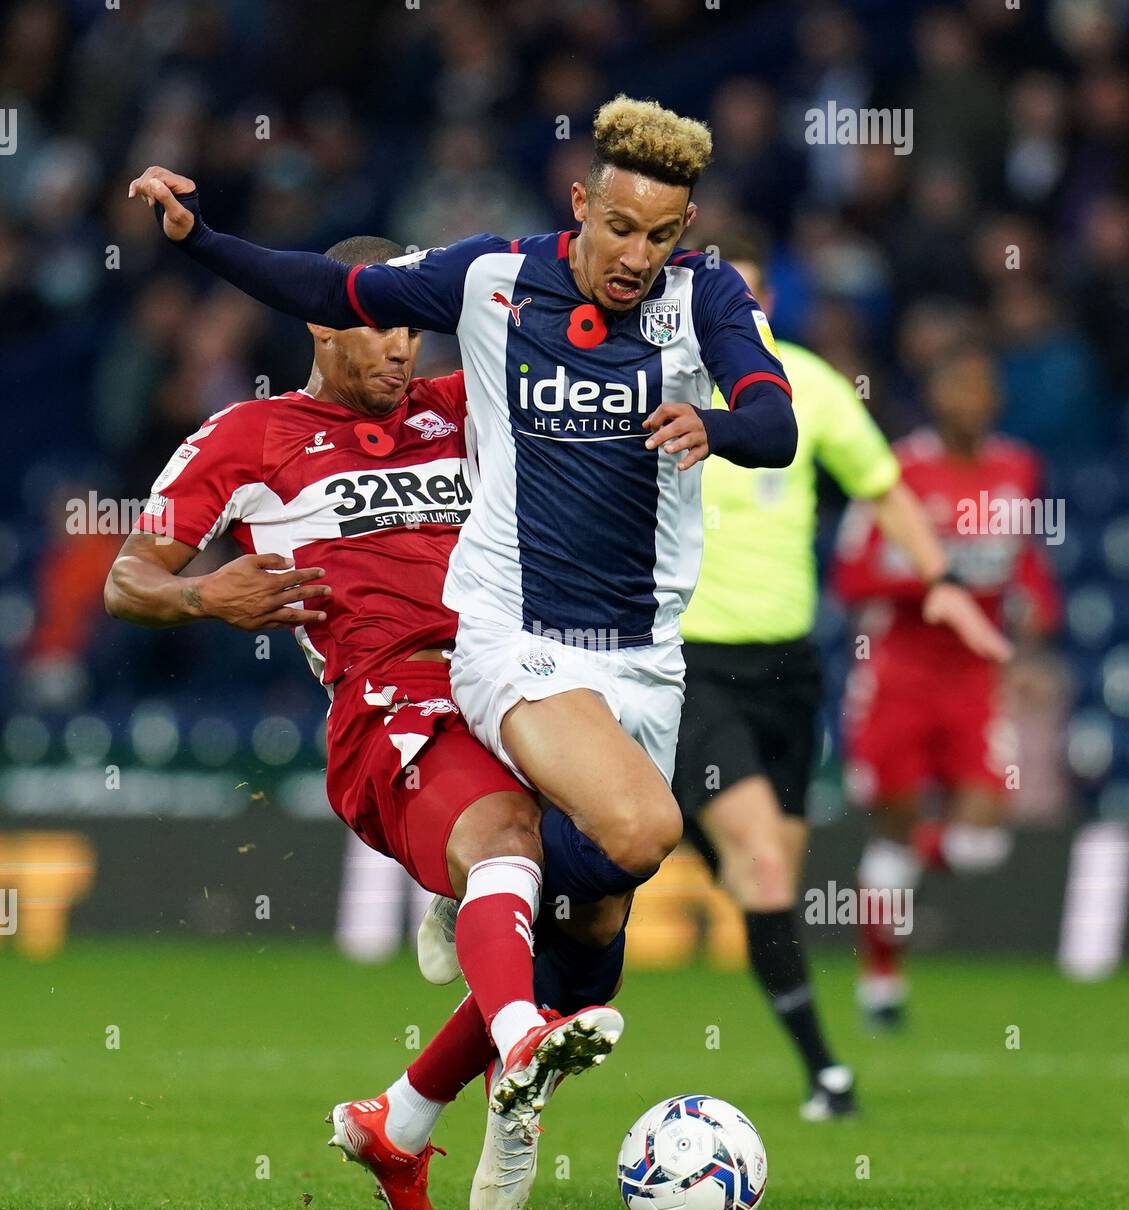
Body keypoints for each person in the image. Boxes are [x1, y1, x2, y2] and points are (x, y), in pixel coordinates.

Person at [125, 97, 799, 989]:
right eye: (622, 228)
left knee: (596, 916)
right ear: (579, 204)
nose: (638, 257)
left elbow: (773, 422)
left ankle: (447, 1089)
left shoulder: (670, 309)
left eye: (661, 235)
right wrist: (198, 237)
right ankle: (491, 900)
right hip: (477, 660)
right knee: (614, 838)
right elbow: (333, 291)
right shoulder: (476, 289)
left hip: (635, 651)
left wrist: (717, 424)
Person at [105, 235, 626, 1210]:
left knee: (597, 900)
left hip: (518, 681)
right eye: (378, 326)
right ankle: (517, 1030)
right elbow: (127, 579)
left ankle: (404, 1114)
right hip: (392, 697)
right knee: (510, 846)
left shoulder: (461, 408)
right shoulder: (250, 434)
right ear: (318, 319)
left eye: (412, 330)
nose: (400, 350)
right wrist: (204, 596)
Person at [675, 234, 1012, 1112]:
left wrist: (937, 579)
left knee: (764, 874)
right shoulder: (656, 377)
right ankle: (826, 1070)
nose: (732, 313)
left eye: (745, 297)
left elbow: (883, 483)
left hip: (788, 672)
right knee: (764, 864)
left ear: (765, 306)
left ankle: (684, 835)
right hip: (687, 661)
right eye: (716, 294)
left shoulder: (810, 388)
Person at [832, 344, 1060, 1026]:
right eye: (957, 387)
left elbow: (1021, 560)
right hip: (898, 674)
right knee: (895, 828)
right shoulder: (895, 470)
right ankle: (880, 980)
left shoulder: (1016, 468)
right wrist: (933, 582)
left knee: (981, 840)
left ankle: (892, 878)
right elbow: (849, 576)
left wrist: (1035, 607)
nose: (970, 401)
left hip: (973, 678)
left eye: (981, 388)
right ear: (935, 397)